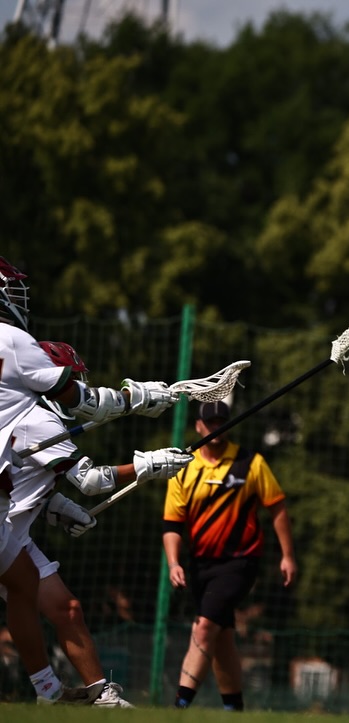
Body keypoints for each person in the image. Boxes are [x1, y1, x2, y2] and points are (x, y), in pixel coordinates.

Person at [0, 257, 179, 703]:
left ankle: (76, 692)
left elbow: (24, 477)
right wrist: (146, 454)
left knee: (52, 601)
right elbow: (92, 471)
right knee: (25, 589)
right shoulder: (33, 399)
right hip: (8, 530)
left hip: (12, 527)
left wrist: (58, 508)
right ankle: (54, 691)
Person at [163, 400, 298, 711]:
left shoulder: (250, 463)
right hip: (200, 565)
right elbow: (171, 524)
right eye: (210, 423)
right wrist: (173, 563)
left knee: (204, 626)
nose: (216, 428)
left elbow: (276, 507)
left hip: (240, 562)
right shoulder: (184, 468)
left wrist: (287, 555)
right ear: (198, 426)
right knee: (221, 636)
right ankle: (234, 708)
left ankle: (179, 705)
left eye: (222, 421)